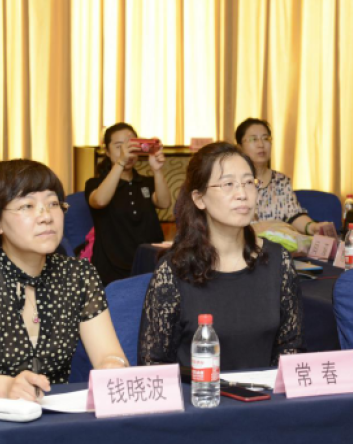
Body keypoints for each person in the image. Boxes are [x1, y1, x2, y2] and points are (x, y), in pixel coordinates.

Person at [0, 159, 128, 401]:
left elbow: (109, 354)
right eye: (27, 206)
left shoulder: (79, 275)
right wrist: (7, 387)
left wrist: (113, 365)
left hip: (56, 413)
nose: (46, 217)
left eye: (53, 203)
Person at [138, 142, 304, 370]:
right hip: (197, 391)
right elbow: (154, 364)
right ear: (199, 198)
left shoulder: (278, 261)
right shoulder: (174, 270)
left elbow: (291, 348)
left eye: (249, 182)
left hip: (265, 392)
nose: (242, 194)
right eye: (228, 184)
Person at [86, 122, 172, 285]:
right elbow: (100, 201)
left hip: (149, 263)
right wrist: (120, 162)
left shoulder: (145, 182)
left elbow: (164, 202)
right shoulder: (95, 183)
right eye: (119, 146)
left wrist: (157, 170)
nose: (126, 151)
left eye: (131, 146)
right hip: (112, 268)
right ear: (107, 151)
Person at [235, 118, 330, 236]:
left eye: (265, 138)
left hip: (277, 244)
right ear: (239, 147)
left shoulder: (281, 181)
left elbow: (293, 214)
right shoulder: (233, 182)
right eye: (253, 139)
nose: (261, 145)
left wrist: (312, 227)